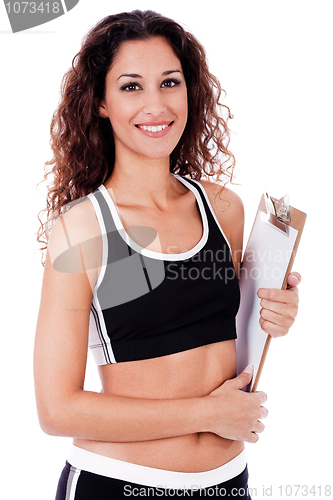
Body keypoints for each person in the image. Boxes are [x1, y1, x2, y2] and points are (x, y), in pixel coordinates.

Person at [34, 10, 301, 500]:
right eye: (131, 87)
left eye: (169, 82)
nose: (155, 105)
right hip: (119, 484)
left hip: (226, 481)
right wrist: (206, 413)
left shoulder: (223, 207)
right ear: (100, 103)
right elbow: (56, 409)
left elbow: (227, 331)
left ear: (188, 92)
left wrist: (276, 314)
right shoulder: (83, 229)